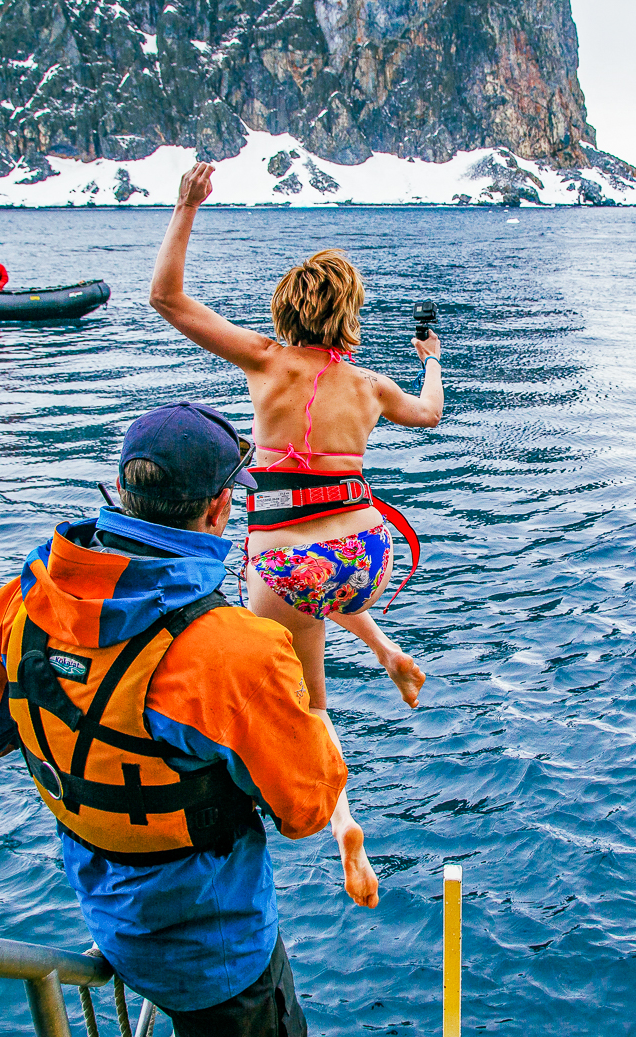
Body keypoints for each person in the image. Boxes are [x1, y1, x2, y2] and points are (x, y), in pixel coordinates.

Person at [0, 401, 347, 1037]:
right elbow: (308, 808)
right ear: (219, 511)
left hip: (109, 919)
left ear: (122, 493)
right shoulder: (236, 651)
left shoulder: (22, 604)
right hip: (217, 956)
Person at [149, 161, 444, 909]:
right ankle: (387, 649)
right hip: (369, 552)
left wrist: (186, 207)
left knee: (311, 701)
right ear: (349, 314)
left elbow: (167, 298)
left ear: (287, 309)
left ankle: (347, 823)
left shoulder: (264, 359)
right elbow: (431, 414)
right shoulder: (373, 385)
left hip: (288, 562)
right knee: (323, 583)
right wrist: (432, 362)